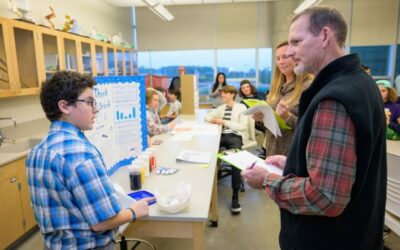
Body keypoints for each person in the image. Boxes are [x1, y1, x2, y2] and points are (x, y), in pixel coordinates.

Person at [243, 7, 386, 250]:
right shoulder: (361, 82)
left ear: (325, 36)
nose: (289, 52)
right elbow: (347, 166)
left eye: (296, 42)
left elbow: (326, 197)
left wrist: (267, 179)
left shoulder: (334, 98)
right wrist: (293, 163)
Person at [27, 71, 153, 249]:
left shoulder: (38, 151)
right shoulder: (79, 154)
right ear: (65, 106)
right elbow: (101, 223)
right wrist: (134, 211)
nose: (96, 108)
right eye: (89, 102)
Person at [253, 41, 312, 158]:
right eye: (278, 58)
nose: (280, 62)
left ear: (297, 57)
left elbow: (311, 127)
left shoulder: (308, 86)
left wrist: (287, 117)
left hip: (293, 154)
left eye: (285, 57)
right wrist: (261, 118)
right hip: (272, 148)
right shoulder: (277, 86)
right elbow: (272, 124)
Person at [205, 85, 248, 213]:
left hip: (234, 136)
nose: (222, 95)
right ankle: (208, 192)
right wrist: (213, 119)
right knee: (208, 156)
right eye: (222, 93)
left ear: (232, 94)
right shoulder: (221, 108)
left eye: (225, 93)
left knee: (236, 162)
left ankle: (235, 197)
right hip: (220, 135)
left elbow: (242, 126)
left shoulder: (241, 107)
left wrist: (223, 122)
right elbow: (207, 117)